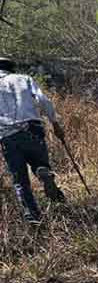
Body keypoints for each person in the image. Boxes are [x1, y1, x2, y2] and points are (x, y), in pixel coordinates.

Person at [0, 57, 67, 223]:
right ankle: (43, 171)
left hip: (7, 135)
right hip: (32, 128)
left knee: (20, 181)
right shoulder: (24, 79)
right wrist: (55, 124)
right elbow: (43, 100)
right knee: (39, 163)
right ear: (11, 68)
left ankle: (32, 216)